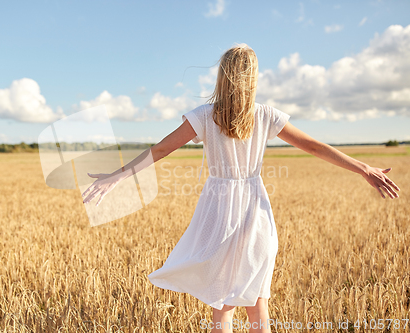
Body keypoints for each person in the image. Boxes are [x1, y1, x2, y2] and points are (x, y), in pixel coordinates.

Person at [81, 43, 400, 333]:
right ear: (253, 77)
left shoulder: (205, 115)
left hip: (218, 210)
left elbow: (162, 149)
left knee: (222, 307)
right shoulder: (266, 115)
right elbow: (314, 147)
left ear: (222, 75)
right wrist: (363, 168)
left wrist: (118, 175)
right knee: (257, 303)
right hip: (254, 210)